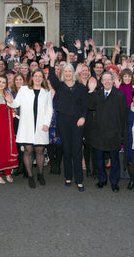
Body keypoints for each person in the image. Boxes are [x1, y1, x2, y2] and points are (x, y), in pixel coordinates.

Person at [47, 48, 87, 191]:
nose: (68, 74)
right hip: (63, 122)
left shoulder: (81, 88)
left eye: (70, 71)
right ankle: (68, 177)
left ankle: (79, 179)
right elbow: (52, 77)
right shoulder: (60, 86)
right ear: (63, 74)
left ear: (73, 73)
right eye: (66, 72)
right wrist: (52, 61)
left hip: (77, 123)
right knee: (67, 150)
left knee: (77, 151)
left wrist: (83, 117)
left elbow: (85, 106)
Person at [10, 69, 53, 188]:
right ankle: (30, 175)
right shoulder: (24, 89)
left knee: (39, 151)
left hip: (41, 126)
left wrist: (46, 123)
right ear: (32, 77)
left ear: (43, 78)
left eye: (40, 76)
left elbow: (49, 110)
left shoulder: (47, 91)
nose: (38, 78)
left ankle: (40, 174)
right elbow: (16, 104)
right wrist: (10, 101)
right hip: (27, 125)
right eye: (36, 76)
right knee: (28, 151)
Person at [86, 71, 127, 193]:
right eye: (105, 80)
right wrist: (91, 91)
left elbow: (122, 116)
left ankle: (114, 182)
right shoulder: (97, 94)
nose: (107, 82)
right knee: (99, 160)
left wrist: (121, 135)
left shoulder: (120, 95)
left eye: (109, 79)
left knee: (115, 160)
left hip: (114, 134)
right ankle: (102, 180)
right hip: (99, 133)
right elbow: (90, 105)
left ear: (113, 81)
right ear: (102, 82)